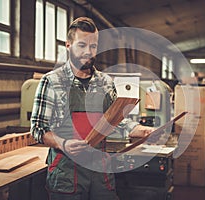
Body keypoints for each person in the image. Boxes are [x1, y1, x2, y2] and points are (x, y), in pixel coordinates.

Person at [30, 16, 154, 200]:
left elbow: (116, 122)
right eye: (82, 45)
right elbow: (38, 129)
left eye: (93, 46)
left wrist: (143, 131)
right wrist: (62, 143)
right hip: (66, 173)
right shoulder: (51, 81)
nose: (88, 51)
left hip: (100, 172)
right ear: (68, 45)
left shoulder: (105, 82)